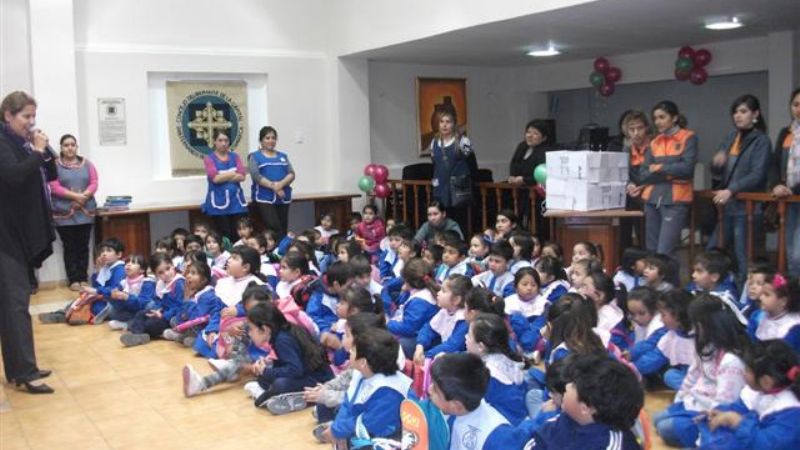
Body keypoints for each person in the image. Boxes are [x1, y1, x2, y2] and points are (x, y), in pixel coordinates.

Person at [0, 91, 56, 394]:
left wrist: (44, 149)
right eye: (26, 117)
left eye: (34, 116)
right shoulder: (2, 142)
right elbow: (14, 176)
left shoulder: (22, 142)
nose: (31, 122)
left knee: (12, 306)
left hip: (19, 237)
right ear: (8, 115)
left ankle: (19, 367)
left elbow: (52, 171)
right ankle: (26, 372)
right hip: (6, 238)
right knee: (15, 305)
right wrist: (34, 152)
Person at [708, 95, 772, 285]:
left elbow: (757, 174)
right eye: (735, 112)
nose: (737, 116)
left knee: (743, 256)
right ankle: (715, 292)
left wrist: (731, 190)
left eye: (743, 111)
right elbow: (718, 172)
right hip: (728, 207)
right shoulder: (731, 137)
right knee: (713, 249)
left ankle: (747, 298)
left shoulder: (761, 140)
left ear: (756, 114)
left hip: (747, 208)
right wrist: (716, 163)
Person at [524, 354, 644, 450]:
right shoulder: (565, 418)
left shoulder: (613, 445)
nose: (567, 386)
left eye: (573, 384)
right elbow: (538, 439)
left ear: (585, 407)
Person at [638, 100, 698, 260]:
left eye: (662, 117)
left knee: (665, 251)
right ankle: (654, 286)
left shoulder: (688, 137)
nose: (658, 121)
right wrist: (671, 170)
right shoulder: (654, 141)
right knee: (651, 250)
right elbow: (643, 173)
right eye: (655, 118)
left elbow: (686, 169)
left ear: (675, 118)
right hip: (651, 199)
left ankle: (671, 285)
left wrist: (658, 168)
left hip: (675, 200)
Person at [428, 353, 522, 449]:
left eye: (435, 390)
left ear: (456, 406)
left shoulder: (496, 438)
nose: (429, 390)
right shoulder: (456, 404)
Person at [48, 134, 99, 291]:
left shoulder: (87, 164)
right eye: (66, 145)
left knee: (83, 246)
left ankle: (83, 278)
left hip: (85, 212)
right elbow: (53, 186)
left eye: (72, 145)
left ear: (76, 147)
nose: (70, 148)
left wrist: (84, 196)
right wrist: (75, 196)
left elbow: (94, 182)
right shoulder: (54, 165)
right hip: (64, 213)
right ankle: (73, 279)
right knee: (69, 247)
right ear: (61, 148)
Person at [771, 87, 800, 278]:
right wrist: (776, 184)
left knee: (798, 255)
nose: (799, 109)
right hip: (789, 200)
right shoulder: (786, 132)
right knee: (791, 255)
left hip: (796, 194)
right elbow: (774, 163)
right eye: (796, 104)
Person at [430, 109, 475, 228]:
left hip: (458, 188)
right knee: (443, 220)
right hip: (441, 186)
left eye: (448, 122)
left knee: (459, 220)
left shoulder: (463, 141)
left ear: (454, 124)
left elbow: (472, 164)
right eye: (441, 122)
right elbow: (435, 165)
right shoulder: (434, 142)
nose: (444, 125)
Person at [201, 130, 248, 242]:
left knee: (237, 234)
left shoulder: (235, 157)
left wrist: (223, 175)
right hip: (218, 204)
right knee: (224, 235)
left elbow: (242, 176)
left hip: (236, 203)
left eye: (226, 140)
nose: (223, 143)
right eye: (220, 140)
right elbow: (215, 179)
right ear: (214, 142)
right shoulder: (209, 159)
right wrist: (232, 173)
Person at [250, 126, 295, 240]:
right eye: (267, 138)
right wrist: (274, 187)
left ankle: (282, 252)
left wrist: (280, 185)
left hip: (283, 197)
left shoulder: (283, 156)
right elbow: (256, 176)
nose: (271, 141)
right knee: (274, 227)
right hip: (264, 198)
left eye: (273, 138)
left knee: (283, 226)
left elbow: (291, 173)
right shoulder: (255, 156)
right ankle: (275, 252)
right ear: (261, 140)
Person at [508, 119, 551, 237]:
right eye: (528, 132)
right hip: (521, 193)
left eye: (535, 133)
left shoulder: (545, 151)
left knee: (538, 224)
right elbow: (514, 163)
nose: (530, 136)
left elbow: (542, 173)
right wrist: (513, 177)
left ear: (544, 138)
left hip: (538, 195)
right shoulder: (522, 146)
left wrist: (524, 180)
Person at [621, 111, 652, 249]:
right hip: (632, 193)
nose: (636, 133)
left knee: (646, 234)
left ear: (646, 128)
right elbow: (623, 171)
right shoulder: (626, 147)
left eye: (639, 128)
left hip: (651, 192)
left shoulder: (654, 145)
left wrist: (644, 186)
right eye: (632, 129)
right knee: (624, 229)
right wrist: (629, 185)